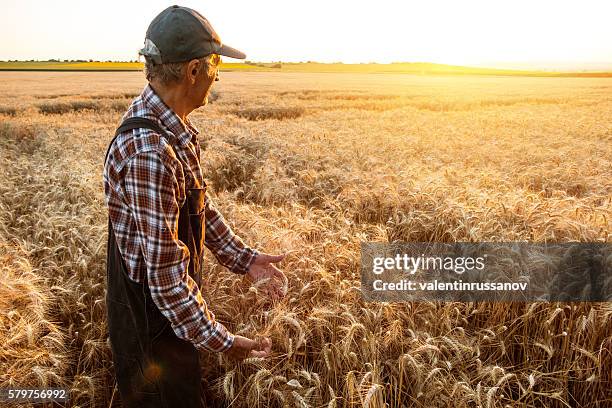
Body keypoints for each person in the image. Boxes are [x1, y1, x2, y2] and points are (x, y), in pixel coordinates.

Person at [102, 5, 287, 407]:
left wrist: (246, 258)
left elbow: (194, 202)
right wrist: (224, 342)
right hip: (151, 330)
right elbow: (167, 283)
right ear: (192, 71)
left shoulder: (167, 125)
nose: (217, 74)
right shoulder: (151, 153)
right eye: (215, 63)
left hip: (167, 323)